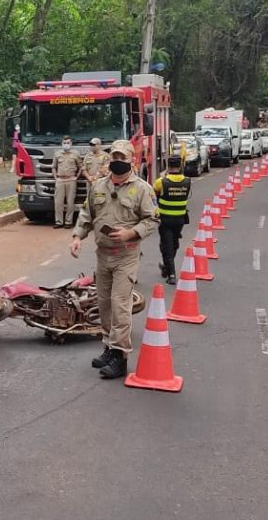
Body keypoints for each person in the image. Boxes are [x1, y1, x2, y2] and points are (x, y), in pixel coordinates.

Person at [69, 140, 158, 379]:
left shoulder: (142, 189)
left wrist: (131, 232)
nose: (117, 162)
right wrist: (78, 236)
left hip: (126, 256)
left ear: (131, 161)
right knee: (105, 304)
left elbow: (152, 220)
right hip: (103, 254)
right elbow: (87, 214)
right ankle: (109, 346)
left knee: (120, 305)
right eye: (114, 158)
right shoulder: (98, 186)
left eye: (122, 158)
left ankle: (121, 357)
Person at [153, 154, 190, 285]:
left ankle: (171, 274)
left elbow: (154, 193)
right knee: (174, 244)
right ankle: (166, 267)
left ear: (168, 166)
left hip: (165, 219)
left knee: (166, 246)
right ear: (180, 166)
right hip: (180, 220)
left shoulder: (161, 181)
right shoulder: (187, 181)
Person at [53, 136, 83, 229]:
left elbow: (81, 166)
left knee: (70, 202)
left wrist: (76, 177)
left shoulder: (76, 154)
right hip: (60, 180)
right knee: (58, 202)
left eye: (68, 143)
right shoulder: (57, 154)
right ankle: (59, 222)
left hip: (71, 180)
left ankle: (68, 222)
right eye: (64, 143)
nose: (66, 144)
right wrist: (56, 178)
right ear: (62, 143)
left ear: (71, 143)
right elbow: (54, 167)